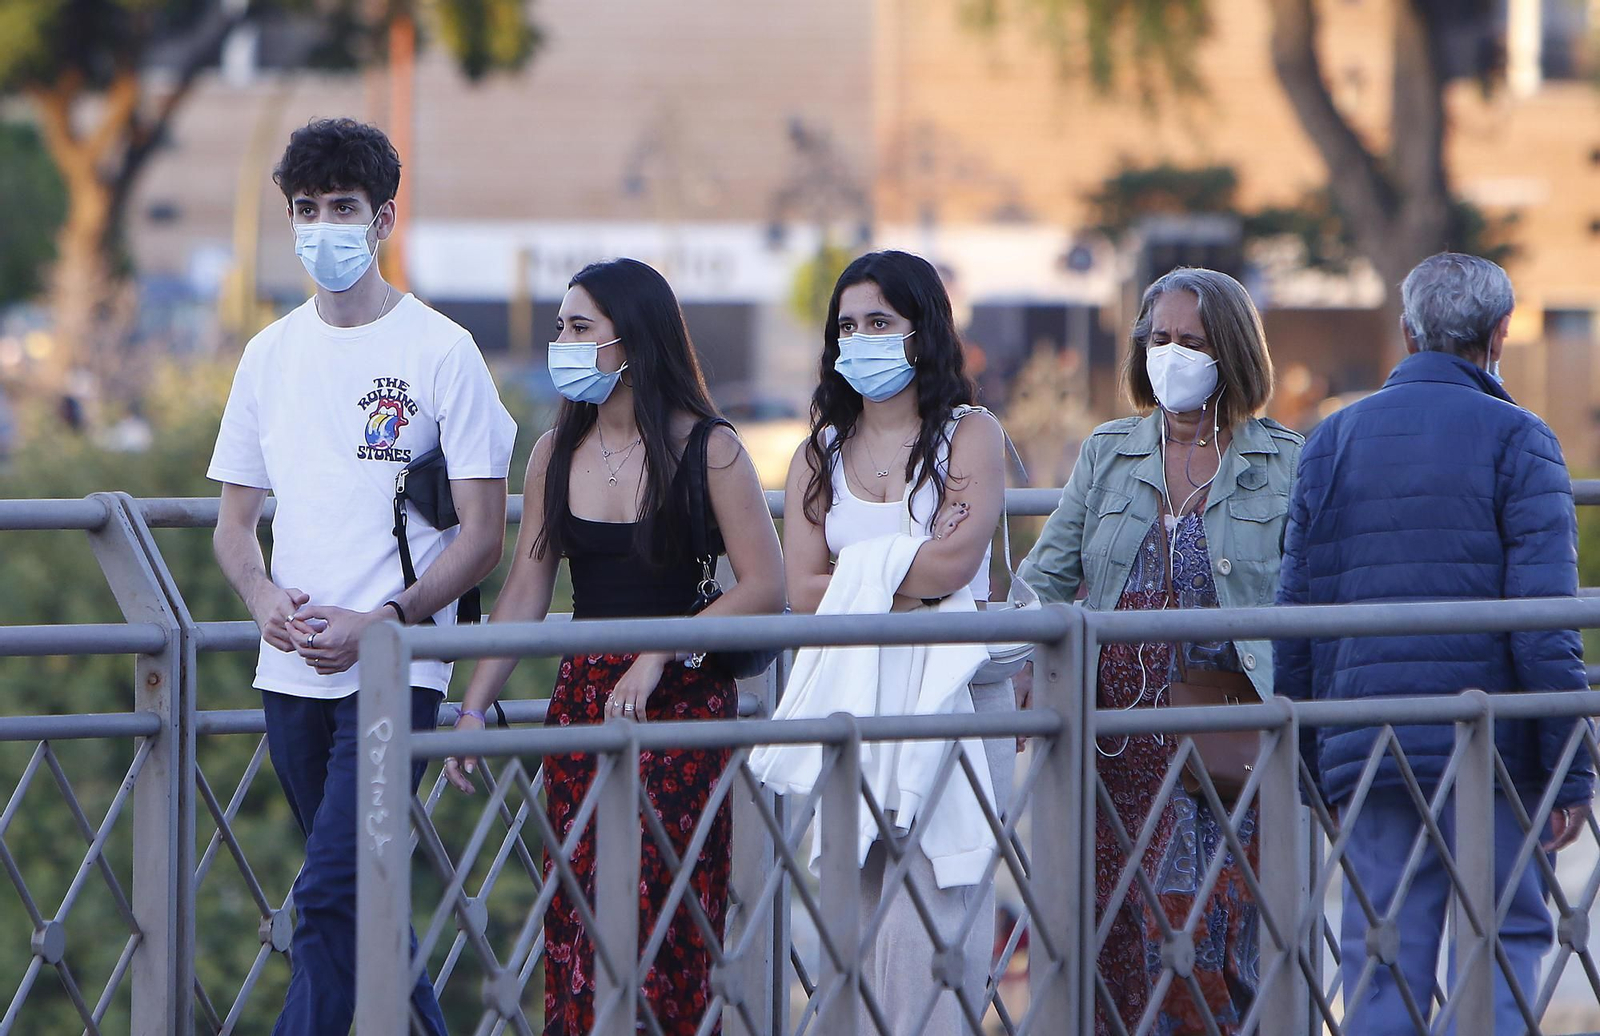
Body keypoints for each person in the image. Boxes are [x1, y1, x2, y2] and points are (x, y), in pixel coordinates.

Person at [209, 117, 517, 1036]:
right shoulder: (268, 355)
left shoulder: (442, 351)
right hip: (291, 672)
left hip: (396, 672)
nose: (322, 229)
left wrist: (384, 619)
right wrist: (262, 598)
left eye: (342, 209)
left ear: (384, 219)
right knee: (360, 904)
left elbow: (486, 534)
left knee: (332, 893)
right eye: (305, 210)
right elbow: (233, 527)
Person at [442, 258, 784, 1036]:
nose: (560, 341)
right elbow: (525, 594)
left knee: (668, 916)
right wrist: (472, 708)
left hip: (683, 705)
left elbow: (765, 586)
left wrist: (662, 649)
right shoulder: (553, 454)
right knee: (581, 916)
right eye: (560, 325)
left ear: (632, 341)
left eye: (577, 327)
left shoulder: (711, 449)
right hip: (584, 708)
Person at [1275, 253, 1595, 1035]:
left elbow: (1295, 615)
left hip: (1369, 738)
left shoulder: (1330, 440)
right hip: (1493, 748)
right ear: (1501, 334)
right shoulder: (1523, 440)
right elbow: (1542, 618)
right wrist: (1569, 764)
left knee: (1381, 957)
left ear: (1407, 330)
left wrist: (1314, 760)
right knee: (1504, 939)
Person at [1018, 268, 1302, 1035]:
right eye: (1159, 338)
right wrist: (1018, 662)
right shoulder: (1108, 451)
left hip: (1228, 724)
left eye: (1192, 342)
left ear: (1232, 353)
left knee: (1218, 930)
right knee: (1123, 935)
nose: (1170, 354)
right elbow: (1043, 579)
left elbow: (1311, 597)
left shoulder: (1282, 460)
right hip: (1118, 738)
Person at [776, 249, 1016, 1035]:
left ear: (921, 332)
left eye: (879, 321)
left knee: (938, 940)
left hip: (955, 703)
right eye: (847, 325)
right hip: (852, 706)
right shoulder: (817, 457)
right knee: (857, 942)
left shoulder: (969, 436)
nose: (860, 338)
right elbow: (798, 589)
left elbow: (958, 562)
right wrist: (905, 580)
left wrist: (859, 572)